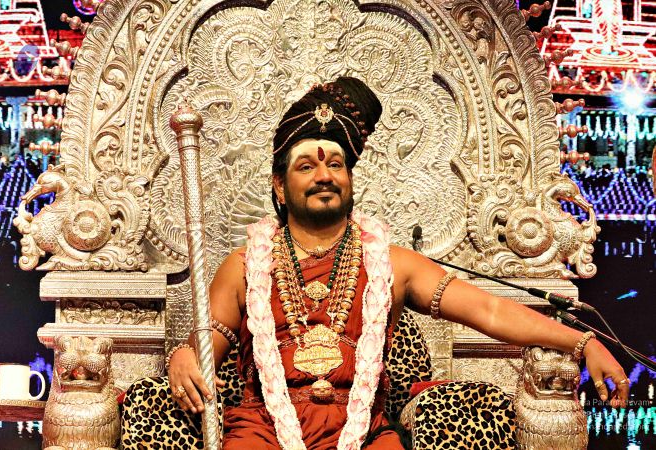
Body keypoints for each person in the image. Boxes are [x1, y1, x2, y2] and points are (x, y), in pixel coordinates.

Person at [167, 77, 630, 449]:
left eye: (336, 164)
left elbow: (488, 311)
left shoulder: (393, 265)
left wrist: (582, 342)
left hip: (362, 432)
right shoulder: (243, 266)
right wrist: (185, 354)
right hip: (263, 431)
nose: (325, 175)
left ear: (350, 179)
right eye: (306, 166)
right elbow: (209, 342)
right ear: (279, 187)